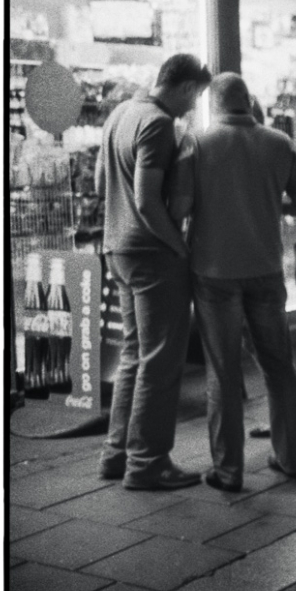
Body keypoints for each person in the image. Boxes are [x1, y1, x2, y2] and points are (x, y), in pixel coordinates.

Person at [169, 73, 296, 492]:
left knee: (223, 371)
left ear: (213, 105)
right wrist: (269, 200)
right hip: (266, 270)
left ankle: (228, 470)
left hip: (214, 274)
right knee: (278, 367)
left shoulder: (196, 144)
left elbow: (179, 208)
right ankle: (290, 459)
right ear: (248, 102)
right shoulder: (279, 143)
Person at [96, 53, 211, 490]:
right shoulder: (159, 124)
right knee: (161, 360)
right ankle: (148, 463)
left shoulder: (119, 114)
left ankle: (117, 453)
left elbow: (99, 185)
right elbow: (147, 200)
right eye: (196, 96)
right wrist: (178, 246)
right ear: (183, 87)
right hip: (151, 254)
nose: (193, 106)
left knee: (133, 355)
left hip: (117, 249)